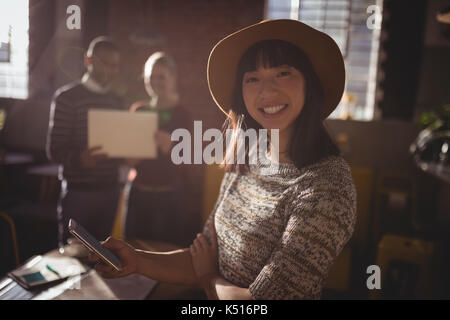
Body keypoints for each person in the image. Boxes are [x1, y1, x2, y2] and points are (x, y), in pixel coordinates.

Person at [91, 19, 357, 300]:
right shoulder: (247, 157)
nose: (266, 91)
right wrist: (137, 261)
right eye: (252, 78)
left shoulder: (327, 184)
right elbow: (201, 258)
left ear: (309, 84)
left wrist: (208, 278)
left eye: (283, 73)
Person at [46, 36, 123, 244]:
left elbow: (119, 146)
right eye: (105, 63)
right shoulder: (66, 98)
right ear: (88, 61)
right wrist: (81, 159)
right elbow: (54, 150)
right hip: (78, 193)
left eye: (115, 65)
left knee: (103, 257)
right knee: (73, 255)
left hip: (111, 190)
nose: (110, 70)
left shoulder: (117, 101)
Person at [124, 52, 199, 247]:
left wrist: (172, 146)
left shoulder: (183, 114)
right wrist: (130, 155)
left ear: (173, 79)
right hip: (138, 193)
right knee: (133, 251)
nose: (155, 82)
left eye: (161, 77)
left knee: (165, 254)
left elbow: (190, 160)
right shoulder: (138, 110)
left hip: (169, 197)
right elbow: (129, 160)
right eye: (151, 77)